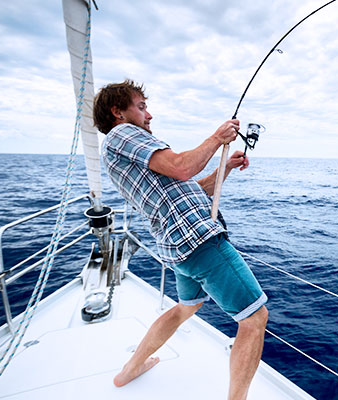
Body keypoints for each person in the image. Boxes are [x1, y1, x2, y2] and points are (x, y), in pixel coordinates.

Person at [93, 79, 268, 400]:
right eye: (141, 107)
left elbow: (190, 188)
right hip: (200, 241)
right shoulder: (122, 134)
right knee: (255, 318)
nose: (149, 115)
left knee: (185, 308)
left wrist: (224, 167)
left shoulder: (123, 151)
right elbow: (181, 166)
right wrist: (217, 138)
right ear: (118, 112)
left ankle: (130, 370)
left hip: (178, 248)